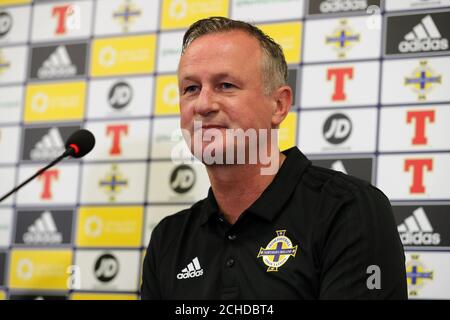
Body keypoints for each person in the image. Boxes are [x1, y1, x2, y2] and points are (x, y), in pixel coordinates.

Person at [141, 16, 407, 299]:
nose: (204, 104)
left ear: (278, 105)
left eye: (226, 85)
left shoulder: (349, 211)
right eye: (191, 88)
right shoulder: (169, 237)